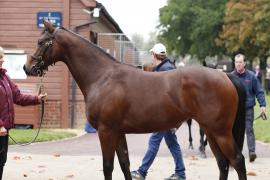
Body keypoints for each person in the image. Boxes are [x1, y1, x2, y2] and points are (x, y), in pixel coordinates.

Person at [131, 43, 186, 180]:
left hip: (164, 116)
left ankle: (142, 172)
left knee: (154, 141)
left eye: (152, 55)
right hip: (168, 115)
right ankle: (180, 173)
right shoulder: (165, 68)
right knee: (172, 143)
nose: (151, 57)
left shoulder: (164, 70)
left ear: (155, 55)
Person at [0, 46, 47, 180]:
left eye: (2, 58)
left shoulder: (5, 78)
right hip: (0, 129)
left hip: (3, 131)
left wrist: (37, 99)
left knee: (1, 163)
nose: (3, 61)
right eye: (0, 59)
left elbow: (18, 97)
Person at [232, 54, 266, 162]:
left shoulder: (251, 76)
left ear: (245, 63)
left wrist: (263, 105)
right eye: (236, 62)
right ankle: (236, 153)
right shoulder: (231, 76)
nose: (238, 64)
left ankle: (252, 152)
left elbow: (259, 92)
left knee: (249, 129)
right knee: (235, 131)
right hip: (235, 110)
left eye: (240, 62)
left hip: (248, 108)